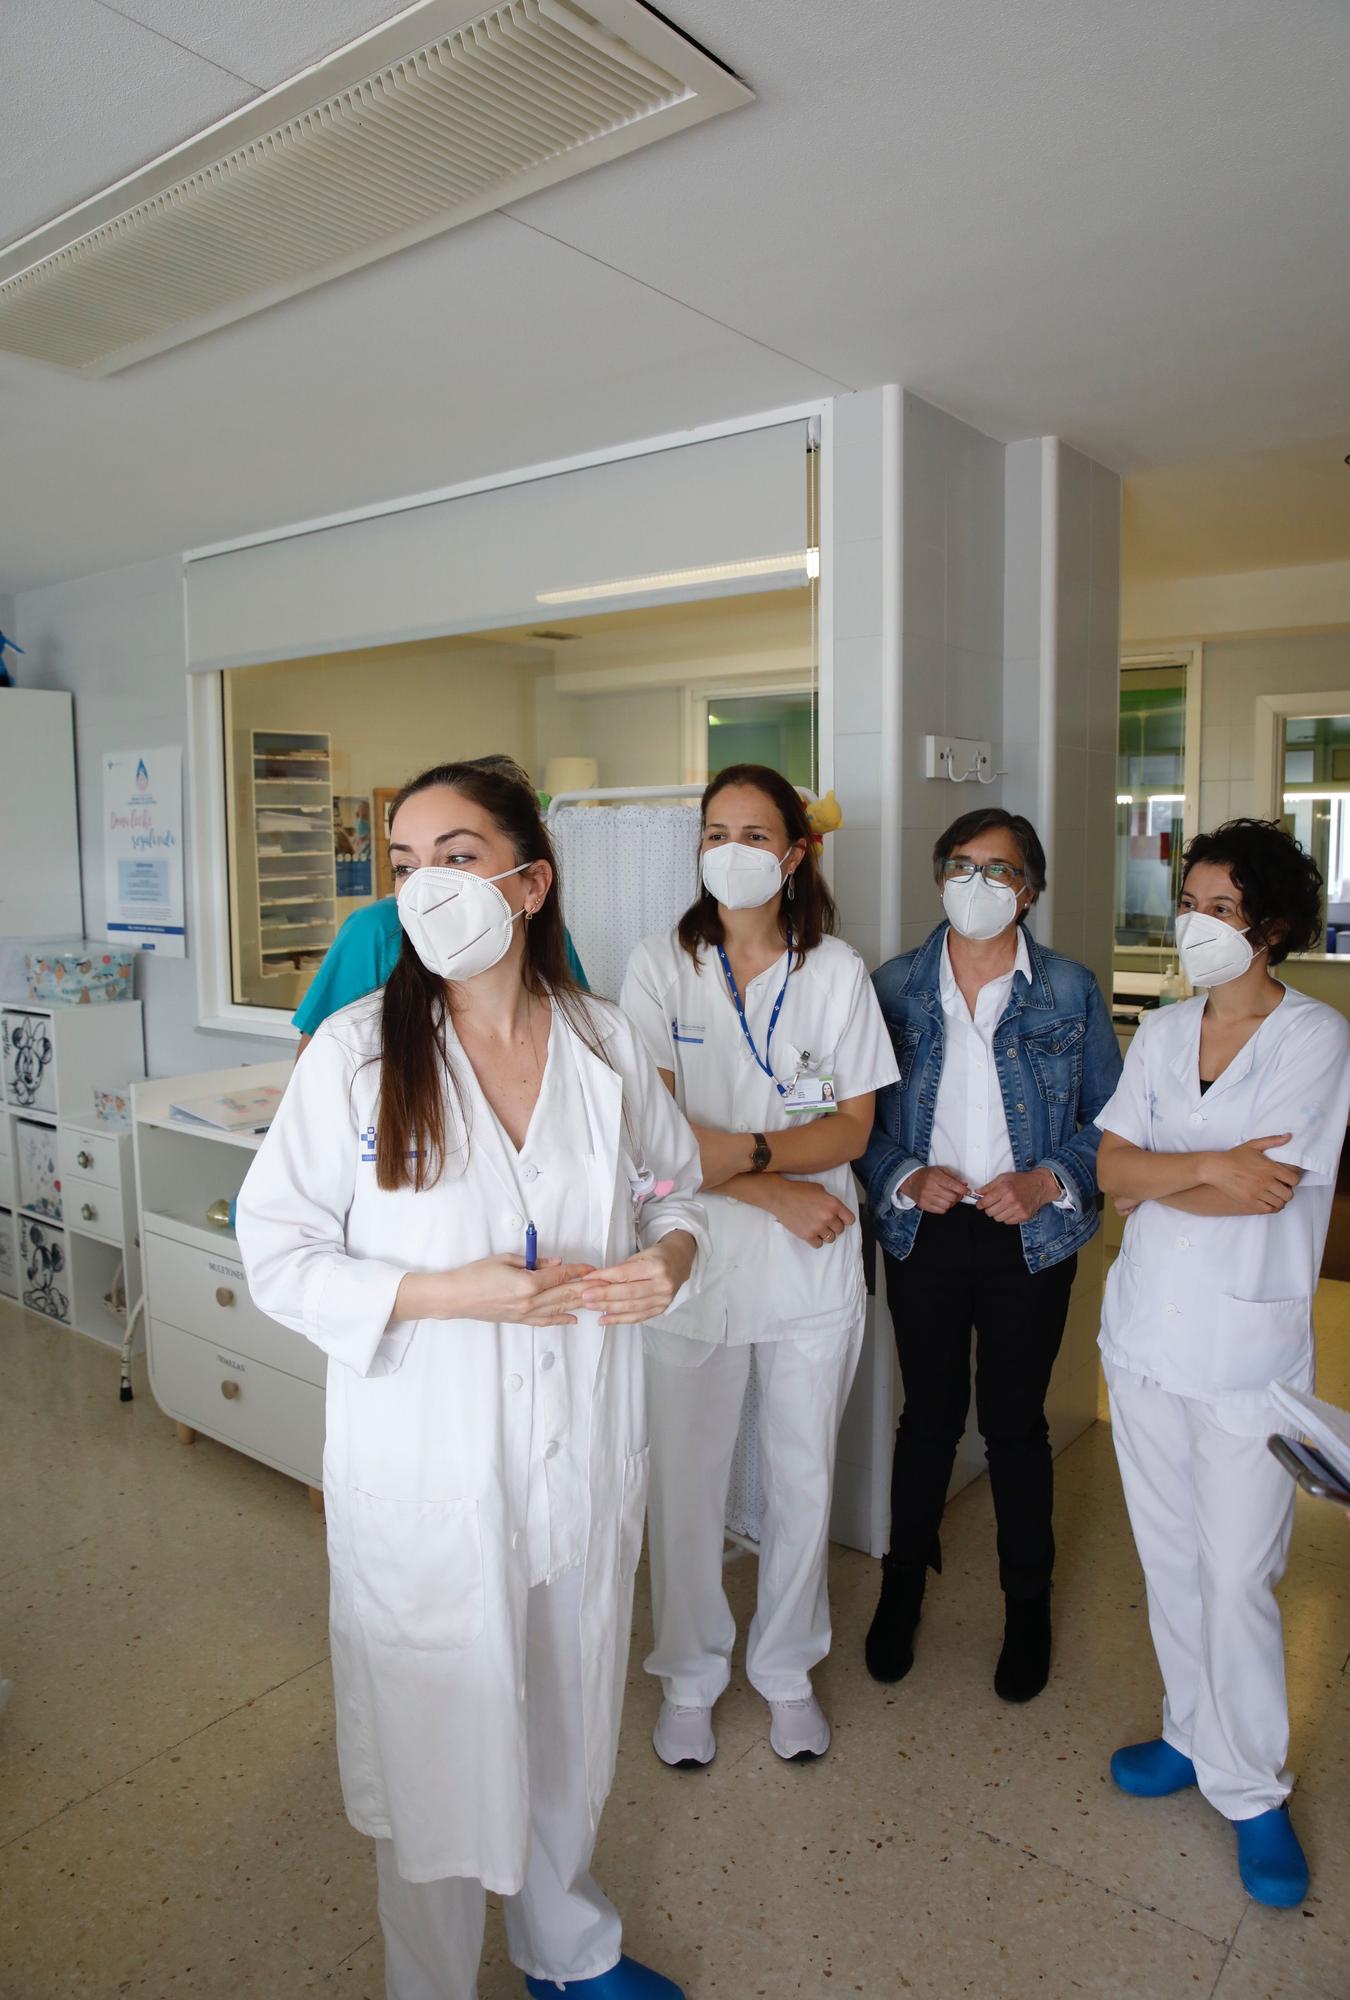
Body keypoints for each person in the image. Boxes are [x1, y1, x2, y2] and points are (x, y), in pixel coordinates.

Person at [236, 760, 707, 2000]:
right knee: (440, 1742)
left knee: (567, 1702)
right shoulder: (354, 1051)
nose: (421, 885)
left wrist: (670, 1257)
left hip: (580, 1448)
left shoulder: (606, 1040)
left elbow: (679, 1191)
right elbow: (277, 1252)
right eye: (402, 861)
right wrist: (452, 1293)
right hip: (431, 1466)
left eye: (453, 853)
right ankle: (431, 1982)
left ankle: (566, 1941)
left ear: (528, 880)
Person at [1094, 818, 1350, 1909]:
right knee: (1170, 1557)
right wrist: (1197, 1164)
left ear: (1274, 926)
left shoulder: (1316, 1039)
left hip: (1247, 1350)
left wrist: (1169, 1171)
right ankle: (1191, 1732)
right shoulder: (1162, 1027)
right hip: (1146, 1335)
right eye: (1188, 901)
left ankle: (1252, 1786)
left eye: (1220, 908)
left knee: (1240, 1574)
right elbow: (1111, 1169)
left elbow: (1271, 1187)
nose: (1193, 923)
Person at [621, 764, 898, 1767]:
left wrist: (754, 1160)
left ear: (795, 852)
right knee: (687, 1486)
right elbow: (653, 1133)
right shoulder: (658, 963)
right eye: (715, 831)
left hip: (809, 1268)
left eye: (754, 833)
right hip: (690, 1255)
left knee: (801, 1477)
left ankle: (785, 1669)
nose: (732, 849)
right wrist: (773, 1182)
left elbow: (854, 1126)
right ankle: (689, 1676)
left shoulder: (835, 971)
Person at [858, 809, 1122, 1702]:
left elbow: (1112, 1125)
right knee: (927, 1415)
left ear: (1030, 889)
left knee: (1014, 1423)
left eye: (999, 870)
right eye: (961, 866)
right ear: (938, 878)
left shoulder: (1070, 991)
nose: (978, 884)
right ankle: (900, 1590)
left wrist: (1049, 1180)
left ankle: (1027, 1605)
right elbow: (857, 1124)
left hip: (1029, 1236)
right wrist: (903, 1175)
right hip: (925, 1231)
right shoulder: (892, 986)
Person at [293, 756, 588, 1053]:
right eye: (404, 867)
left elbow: (579, 1026)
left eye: (458, 857)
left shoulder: (601, 1027)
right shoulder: (375, 931)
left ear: (534, 884)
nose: (425, 888)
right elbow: (314, 1064)